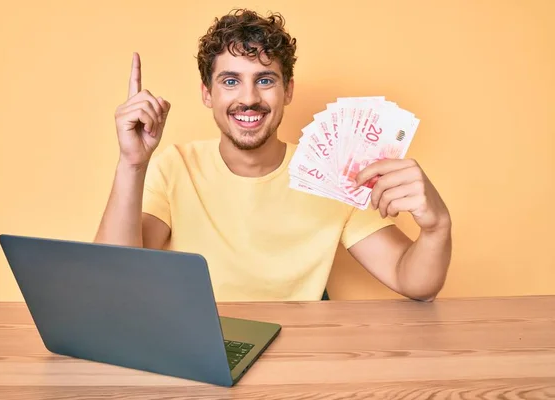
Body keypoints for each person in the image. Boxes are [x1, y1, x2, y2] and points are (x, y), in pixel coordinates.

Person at [94, 9, 452, 302]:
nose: (248, 98)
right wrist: (132, 163)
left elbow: (413, 280)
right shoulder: (174, 167)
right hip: (198, 349)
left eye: (265, 80)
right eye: (230, 81)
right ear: (207, 94)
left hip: (295, 357)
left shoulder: (330, 174)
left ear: (288, 90)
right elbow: (115, 282)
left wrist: (437, 226)